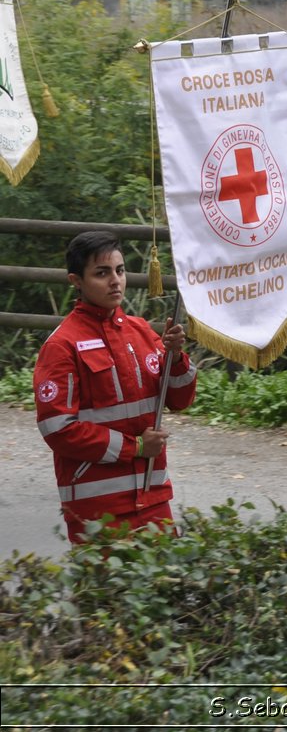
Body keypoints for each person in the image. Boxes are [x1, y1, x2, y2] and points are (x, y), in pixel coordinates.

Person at [33, 231, 194, 544]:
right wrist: (134, 448)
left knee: (162, 590)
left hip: (154, 498)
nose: (115, 281)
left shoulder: (142, 331)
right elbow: (57, 429)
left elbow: (179, 399)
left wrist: (176, 358)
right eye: (101, 273)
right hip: (97, 508)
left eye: (120, 271)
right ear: (75, 281)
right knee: (105, 594)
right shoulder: (62, 345)